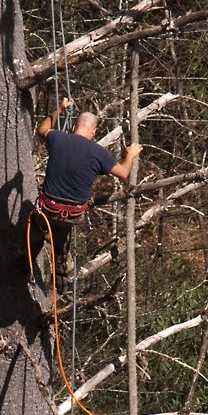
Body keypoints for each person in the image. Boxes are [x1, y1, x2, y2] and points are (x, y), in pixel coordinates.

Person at [24, 99, 141, 292]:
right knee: (61, 236)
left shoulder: (58, 138)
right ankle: (59, 274)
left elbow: (42, 129)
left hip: (48, 208)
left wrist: (60, 109)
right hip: (73, 214)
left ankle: (26, 258)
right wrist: (129, 155)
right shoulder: (99, 153)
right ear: (93, 133)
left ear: (74, 127)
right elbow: (123, 173)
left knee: (38, 228)